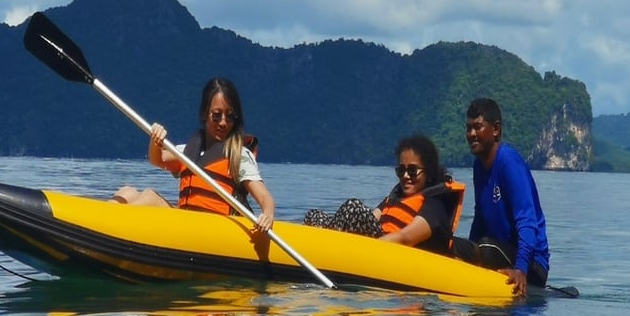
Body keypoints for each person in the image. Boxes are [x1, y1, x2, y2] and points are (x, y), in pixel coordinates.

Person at [111, 77, 275, 233]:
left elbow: (264, 196)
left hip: (215, 231)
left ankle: (111, 228)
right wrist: (156, 141)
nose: (223, 122)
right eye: (217, 115)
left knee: (150, 197)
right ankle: (98, 226)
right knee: (127, 192)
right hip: (188, 225)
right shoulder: (188, 151)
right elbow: (158, 159)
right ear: (205, 113)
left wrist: (267, 214)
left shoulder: (239, 155)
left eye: (230, 116)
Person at [452, 97, 550, 297]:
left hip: (532, 263)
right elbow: (480, 218)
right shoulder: (479, 166)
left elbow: (528, 222)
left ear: (495, 129)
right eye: (468, 128)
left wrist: (521, 269)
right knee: (450, 243)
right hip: (496, 250)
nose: (471, 134)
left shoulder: (508, 161)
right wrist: (468, 252)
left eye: (478, 127)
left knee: (486, 246)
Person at [303, 135, 465, 254]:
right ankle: (316, 251)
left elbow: (406, 237)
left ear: (428, 173)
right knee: (314, 216)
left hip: (393, 252)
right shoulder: (396, 196)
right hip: (377, 244)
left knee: (352, 207)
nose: (406, 176)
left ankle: (326, 253)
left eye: (413, 170)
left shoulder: (435, 203)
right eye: (401, 170)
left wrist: (364, 250)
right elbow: (371, 218)